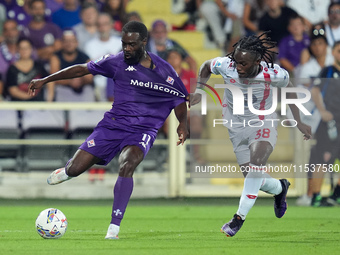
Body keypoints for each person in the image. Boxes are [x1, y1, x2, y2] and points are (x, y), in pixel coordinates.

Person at [27, 21, 189, 239]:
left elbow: (179, 97)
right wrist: (45, 80)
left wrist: (182, 123)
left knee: (128, 163)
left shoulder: (164, 70)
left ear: (143, 42)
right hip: (112, 126)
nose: (127, 48)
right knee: (75, 169)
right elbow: (81, 69)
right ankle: (66, 172)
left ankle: (114, 227)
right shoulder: (116, 61)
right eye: (124, 44)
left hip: (143, 129)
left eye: (132, 44)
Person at [189, 32, 311, 237]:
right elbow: (206, 66)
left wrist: (298, 120)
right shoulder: (226, 65)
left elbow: (289, 89)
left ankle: (238, 218)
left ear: (257, 61)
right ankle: (280, 188)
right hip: (235, 125)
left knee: (256, 164)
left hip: (263, 121)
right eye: (236, 62)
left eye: (243, 64)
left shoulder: (273, 73)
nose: (238, 67)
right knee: (254, 178)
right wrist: (200, 91)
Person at [308, 40, 340, 206]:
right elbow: (315, 90)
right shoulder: (327, 71)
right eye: (339, 51)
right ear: (333, 53)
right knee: (322, 158)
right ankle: (316, 197)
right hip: (329, 121)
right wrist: (322, 111)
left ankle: (336, 195)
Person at [84, 13, 121, 101]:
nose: (102, 28)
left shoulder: (120, 43)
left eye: (105, 24)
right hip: (97, 87)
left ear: (111, 25)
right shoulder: (89, 45)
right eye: (99, 25)